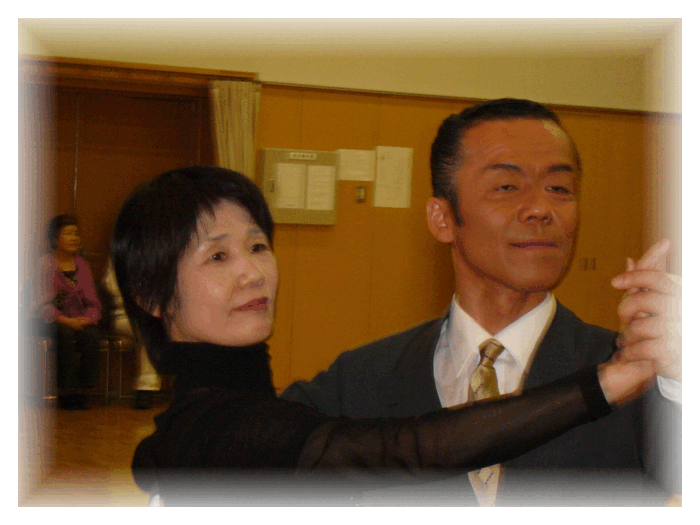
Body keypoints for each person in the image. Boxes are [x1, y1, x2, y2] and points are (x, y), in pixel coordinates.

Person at [112, 166, 668, 506]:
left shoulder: (252, 411)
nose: (252, 273)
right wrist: (609, 381)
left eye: (257, 246)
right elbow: (411, 450)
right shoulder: (213, 425)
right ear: (151, 295)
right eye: (217, 257)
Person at [281, 99, 682, 505]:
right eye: (507, 187)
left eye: (559, 189)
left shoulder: (646, 376)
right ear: (442, 219)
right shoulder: (359, 382)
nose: (540, 209)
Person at [34, 214, 102, 410]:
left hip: (77, 319)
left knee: (91, 335)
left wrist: (87, 319)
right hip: (48, 319)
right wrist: (65, 320)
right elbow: (41, 304)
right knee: (64, 334)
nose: (74, 238)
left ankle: (85, 389)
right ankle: (67, 391)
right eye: (68, 233)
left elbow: (93, 302)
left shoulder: (82, 264)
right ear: (55, 238)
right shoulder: (45, 264)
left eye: (76, 234)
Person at [102, 261, 161, 409]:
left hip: (158, 315)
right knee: (148, 329)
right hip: (125, 315)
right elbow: (111, 284)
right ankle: (145, 389)